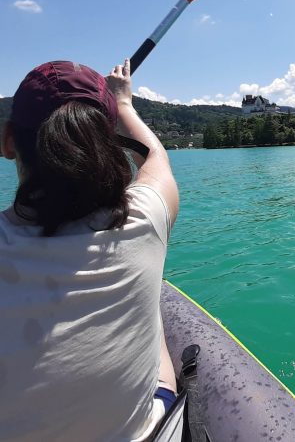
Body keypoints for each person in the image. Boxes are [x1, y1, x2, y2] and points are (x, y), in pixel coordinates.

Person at [0, 59, 179, 441]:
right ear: (107, 140)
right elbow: (155, 160)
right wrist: (124, 104)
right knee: (158, 318)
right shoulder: (143, 222)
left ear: (8, 142)